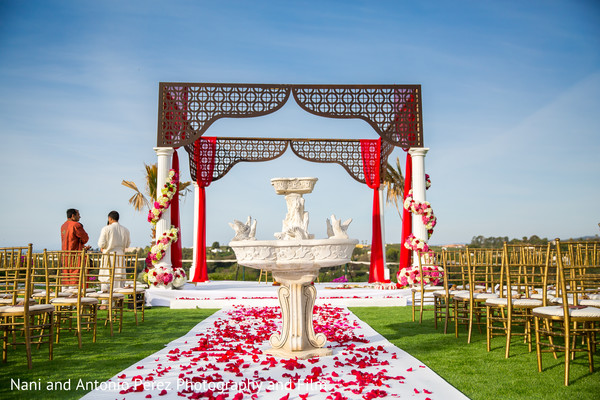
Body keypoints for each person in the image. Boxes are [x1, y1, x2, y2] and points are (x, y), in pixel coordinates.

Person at [97, 211, 131, 292]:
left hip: (109, 255)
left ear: (110, 218)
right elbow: (127, 244)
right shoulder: (125, 230)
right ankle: (118, 301)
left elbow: (101, 244)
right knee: (118, 278)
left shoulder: (106, 228)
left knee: (106, 278)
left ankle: (105, 302)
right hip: (120, 256)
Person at [60, 208, 90, 286]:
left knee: (67, 277)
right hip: (76, 256)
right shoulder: (76, 225)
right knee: (77, 277)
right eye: (78, 215)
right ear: (73, 216)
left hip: (65, 255)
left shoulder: (63, 226)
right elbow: (85, 238)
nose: (80, 217)